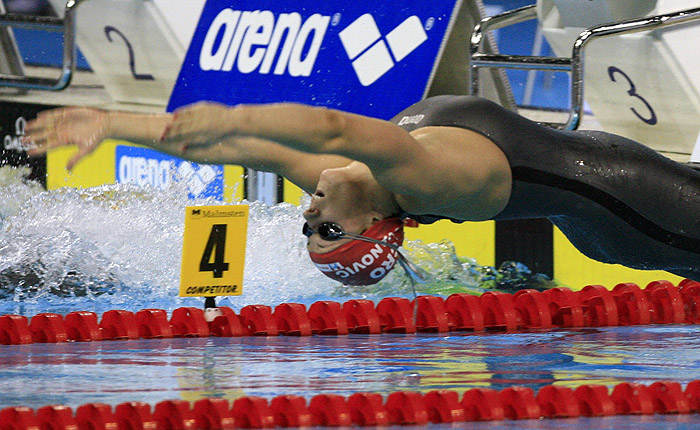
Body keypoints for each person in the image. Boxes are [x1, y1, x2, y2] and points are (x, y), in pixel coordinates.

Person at [25, 95, 700, 284]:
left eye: (309, 226)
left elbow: (227, 145)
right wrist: (231, 113)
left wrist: (111, 122)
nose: (309, 212)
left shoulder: (352, 182)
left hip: (625, 194)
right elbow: (334, 123)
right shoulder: (426, 178)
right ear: (376, 220)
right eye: (327, 231)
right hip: (656, 216)